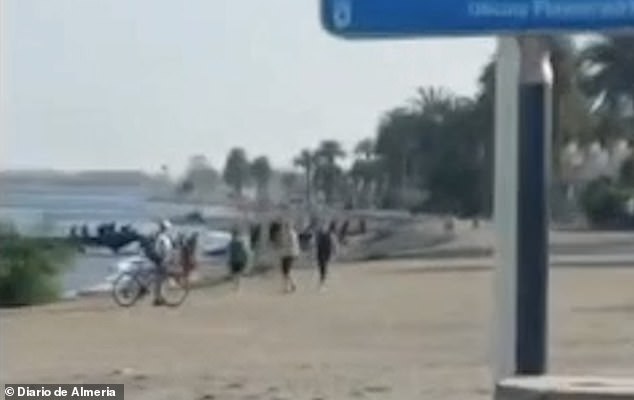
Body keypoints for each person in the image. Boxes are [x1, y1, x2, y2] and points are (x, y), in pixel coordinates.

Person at [151, 220, 174, 306]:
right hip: (162, 260)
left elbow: (159, 248)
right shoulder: (163, 237)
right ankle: (160, 298)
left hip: (159, 259)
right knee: (162, 280)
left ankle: (157, 298)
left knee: (159, 280)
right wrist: (167, 259)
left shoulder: (159, 236)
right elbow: (166, 249)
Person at [278, 220, 300, 293]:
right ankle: (292, 285)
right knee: (286, 271)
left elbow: (291, 244)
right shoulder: (291, 233)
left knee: (286, 271)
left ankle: (288, 287)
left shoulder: (291, 234)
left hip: (288, 254)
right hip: (287, 253)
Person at [227, 227, 250, 291]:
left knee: (234, 274)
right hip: (238, 260)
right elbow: (243, 251)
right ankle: (238, 286)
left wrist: (228, 261)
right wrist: (245, 260)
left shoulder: (231, 243)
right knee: (238, 274)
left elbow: (230, 253)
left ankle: (235, 286)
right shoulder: (240, 243)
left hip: (233, 260)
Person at [316, 223, 337, 288]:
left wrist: (334, 251)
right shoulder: (320, 235)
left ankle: (322, 282)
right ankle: (322, 281)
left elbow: (334, 244)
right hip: (321, 253)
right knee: (322, 267)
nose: (323, 229)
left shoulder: (329, 235)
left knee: (323, 267)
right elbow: (315, 244)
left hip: (326, 253)